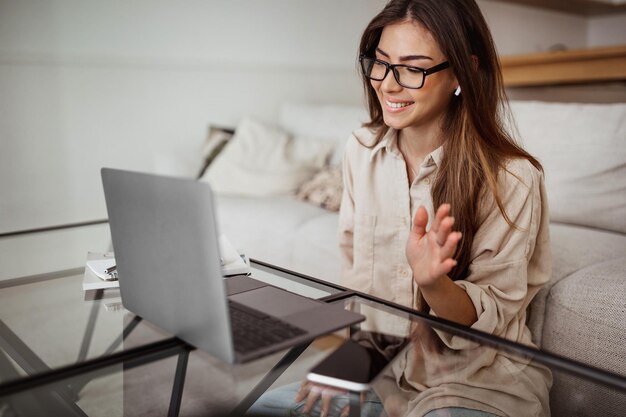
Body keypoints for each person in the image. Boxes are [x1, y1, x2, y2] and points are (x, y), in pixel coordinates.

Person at [249, 0, 552, 416]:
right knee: (266, 408)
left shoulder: (513, 178)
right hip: (382, 371)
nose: (389, 85)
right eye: (381, 63)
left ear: (462, 72)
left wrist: (434, 285)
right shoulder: (362, 149)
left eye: (413, 68)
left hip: (474, 385)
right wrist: (351, 363)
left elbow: (489, 324)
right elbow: (361, 289)